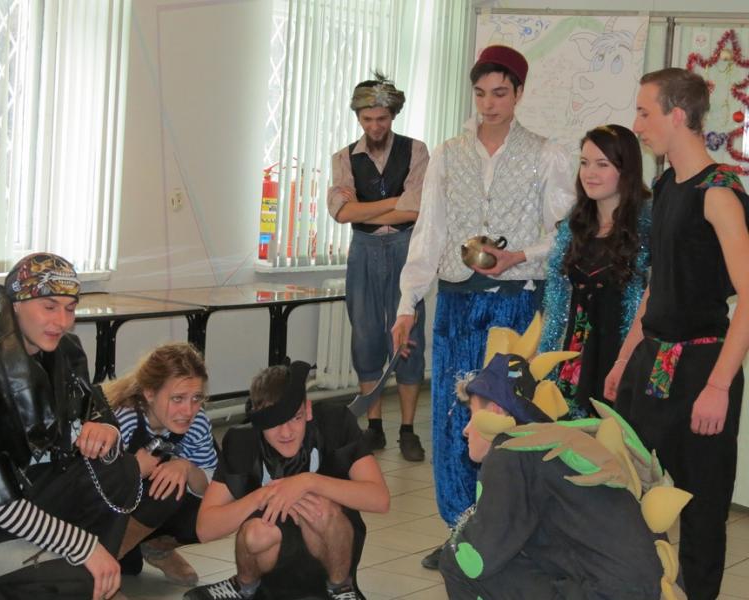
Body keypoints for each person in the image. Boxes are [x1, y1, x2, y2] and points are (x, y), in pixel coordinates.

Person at [390, 44, 576, 565]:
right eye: (480, 94)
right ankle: (459, 531)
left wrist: (520, 254)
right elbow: (429, 233)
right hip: (456, 304)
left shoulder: (546, 154)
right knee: (453, 417)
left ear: (519, 93)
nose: (489, 104)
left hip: (517, 305)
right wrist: (407, 303)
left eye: (499, 93)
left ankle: (509, 537)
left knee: (509, 420)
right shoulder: (448, 154)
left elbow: (566, 233)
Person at [604, 67, 749, 600]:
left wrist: (718, 386)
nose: (638, 125)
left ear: (678, 116)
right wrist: (624, 360)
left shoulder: (719, 192)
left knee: (702, 507)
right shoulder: (666, 185)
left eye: (645, 113)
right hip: (652, 365)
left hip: (702, 369)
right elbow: (655, 287)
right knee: (638, 496)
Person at [439, 321, 690, 600]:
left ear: (496, 411)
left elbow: (479, 557)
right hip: (652, 589)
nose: (466, 430)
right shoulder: (564, 440)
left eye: (471, 415)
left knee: (454, 561)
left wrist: (460, 536)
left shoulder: (512, 448)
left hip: (607, 593)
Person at [0, 253, 141, 600]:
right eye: (49, 307)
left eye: (70, 308)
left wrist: (105, 428)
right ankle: (72, 578)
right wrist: (84, 547)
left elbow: (93, 406)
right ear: (15, 304)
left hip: (27, 490)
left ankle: (91, 577)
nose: (62, 322)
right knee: (80, 580)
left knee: (121, 469)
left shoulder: (65, 350)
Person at [183, 361, 389, 600]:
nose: (286, 432)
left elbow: (380, 499)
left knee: (322, 509)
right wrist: (262, 496)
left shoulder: (335, 424)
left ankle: (341, 589)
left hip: (331, 549)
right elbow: (205, 528)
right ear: (258, 423)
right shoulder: (243, 443)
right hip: (272, 558)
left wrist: (309, 482)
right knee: (256, 532)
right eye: (274, 424)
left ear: (308, 410)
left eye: (295, 418)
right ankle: (244, 587)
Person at [328, 72, 429, 462]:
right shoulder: (343, 158)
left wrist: (363, 207)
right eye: (368, 119)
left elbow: (417, 208)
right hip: (364, 250)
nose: (375, 126)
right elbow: (341, 213)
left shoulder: (416, 151)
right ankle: (374, 427)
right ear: (358, 118)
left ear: (393, 116)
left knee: (408, 337)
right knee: (366, 336)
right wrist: (394, 203)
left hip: (406, 247)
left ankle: (407, 429)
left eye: (382, 119)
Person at [539, 124, 651, 418]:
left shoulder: (648, 228)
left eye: (602, 164)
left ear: (626, 169)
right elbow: (557, 303)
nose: (590, 173)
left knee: (616, 439)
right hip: (573, 359)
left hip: (622, 358)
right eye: (585, 163)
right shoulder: (574, 226)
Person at [104, 342, 218, 586]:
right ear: (150, 393)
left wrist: (186, 467)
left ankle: (155, 545)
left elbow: (210, 487)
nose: (188, 410)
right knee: (130, 567)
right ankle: (101, 565)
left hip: (144, 505)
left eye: (196, 398)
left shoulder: (197, 423)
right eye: (177, 398)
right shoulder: (123, 421)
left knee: (210, 511)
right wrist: (133, 469)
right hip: (107, 512)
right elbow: (95, 491)